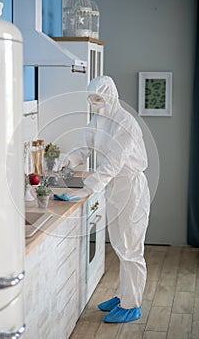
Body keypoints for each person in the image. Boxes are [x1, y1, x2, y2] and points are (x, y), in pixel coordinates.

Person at [60, 76, 150, 323]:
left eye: (99, 98)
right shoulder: (98, 121)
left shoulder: (125, 123)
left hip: (131, 187)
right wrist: (67, 161)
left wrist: (88, 189)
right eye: (92, 99)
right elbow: (83, 147)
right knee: (121, 245)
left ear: (110, 95)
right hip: (115, 188)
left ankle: (132, 305)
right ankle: (124, 296)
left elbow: (113, 163)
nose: (95, 103)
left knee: (131, 248)